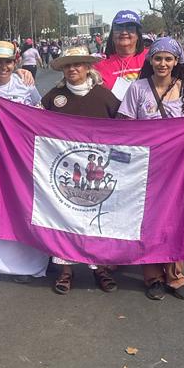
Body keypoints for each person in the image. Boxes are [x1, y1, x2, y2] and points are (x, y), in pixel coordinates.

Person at [119, 38, 184, 300]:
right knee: (149, 221)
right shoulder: (137, 89)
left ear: (177, 62)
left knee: (176, 220)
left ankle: (176, 277)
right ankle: (152, 276)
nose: (163, 64)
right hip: (146, 169)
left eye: (168, 59)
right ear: (150, 60)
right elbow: (125, 126)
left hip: (178, 168)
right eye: (157, 58)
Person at [40, 45, 121, 295]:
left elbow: (126, 130)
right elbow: (35, 125)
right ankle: (65, 270)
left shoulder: (105, 97)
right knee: (64, 217)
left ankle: (100, 269)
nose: (73, 69)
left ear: (88, 67)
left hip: (97, 172)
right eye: (68, 65)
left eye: (78, 64)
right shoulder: (53, 98)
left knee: (96, 219)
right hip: (64, 169)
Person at [97, 10, 147, 100]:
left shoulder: (152, 57)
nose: (124, 32)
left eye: (130, 28)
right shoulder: (98, 63)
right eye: (119, 28)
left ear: (138, 34)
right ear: (112, 34)